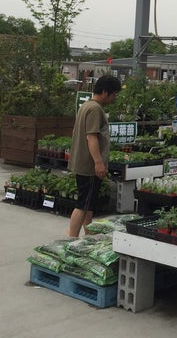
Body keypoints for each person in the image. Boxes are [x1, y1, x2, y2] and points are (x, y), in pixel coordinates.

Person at [67, 74, 122, 238]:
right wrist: (98, 163)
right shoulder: (95, 109)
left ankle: (89, 235)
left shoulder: (86, 106)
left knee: (89, 204)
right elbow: (91, 137)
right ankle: (71, 238)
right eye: (114, 94)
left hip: (83, 163)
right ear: (105, 92)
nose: (114, 98)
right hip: (89, 166)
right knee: (83, 204)